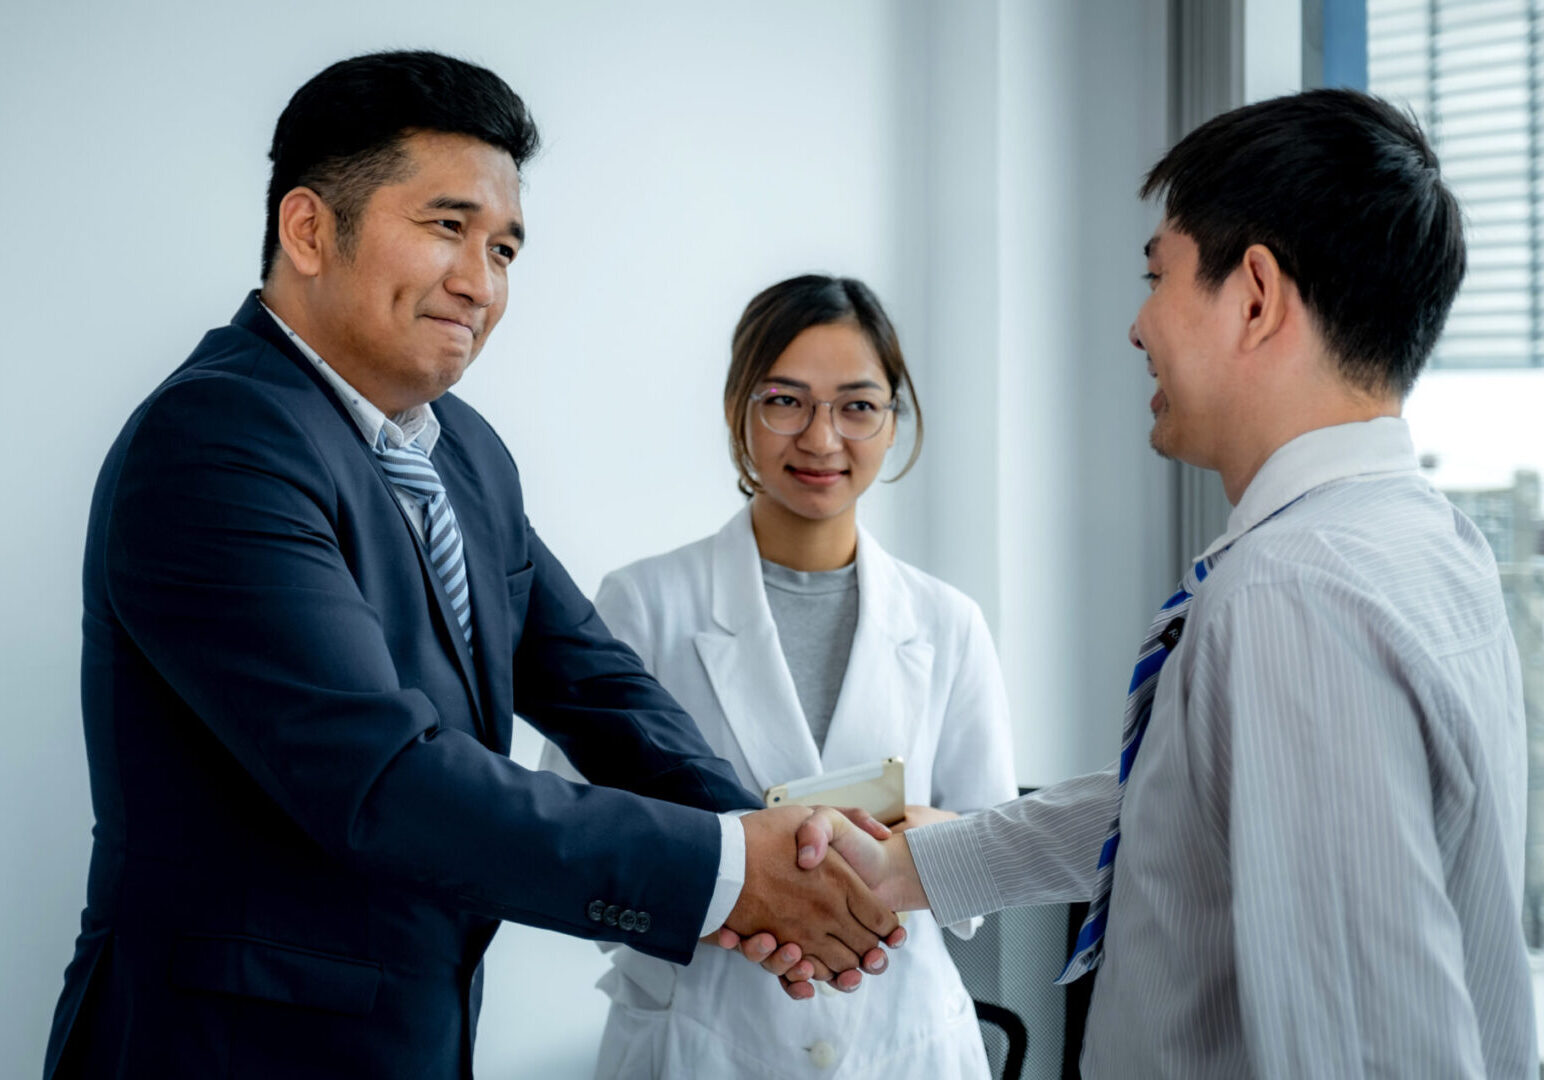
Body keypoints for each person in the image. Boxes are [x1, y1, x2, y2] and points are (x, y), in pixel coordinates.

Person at [42, 51, 900, 1080]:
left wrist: (770, 842)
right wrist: (730, 876)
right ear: (309, 229)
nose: (480, 284)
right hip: (228, 1049)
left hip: (415, 1038)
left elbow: (596, 687)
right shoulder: (217, 440)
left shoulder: (461, 450)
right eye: (447, 229)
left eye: (503, 248)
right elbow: (385, 779)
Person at [790, 89, 1536, 1077]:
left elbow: (1361, 1045)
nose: (1138, 325)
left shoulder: (1292, 592)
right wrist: (917, 862)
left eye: (1158, 276)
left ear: (1255, 296)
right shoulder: (1420, 539)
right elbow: (1196, 810)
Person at [541, 275, 1018, 1077]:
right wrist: (731, 889)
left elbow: (995, 861)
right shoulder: (645, 604)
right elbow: (583, 841)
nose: (822, 439)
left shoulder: (947, 623)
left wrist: (913, 843)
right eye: (785, 401)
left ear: (894, 421)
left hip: (902, 1043)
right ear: (740, 409)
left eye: (857, 405)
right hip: (701, 1036)